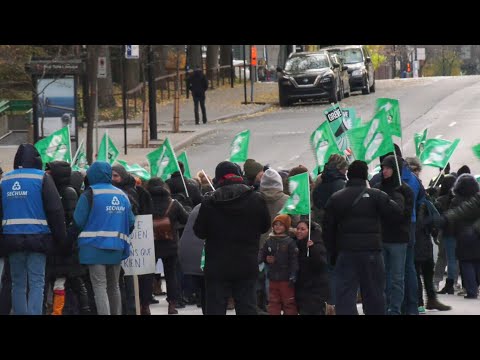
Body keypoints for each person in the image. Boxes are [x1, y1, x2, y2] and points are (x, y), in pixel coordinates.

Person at [323, 160, 403, 315]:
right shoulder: (376, 195)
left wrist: (332, 253)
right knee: (374, 294)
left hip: (346, 252)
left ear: (348, 174)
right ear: (366, 176)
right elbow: (397, 214)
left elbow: (328, 229)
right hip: (371, 251)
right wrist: (397, 193)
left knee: (345, 294)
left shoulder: (336, 198)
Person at [193, 161, 271, 315]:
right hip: (246, 262)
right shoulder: (256, 199)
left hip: (217, 265)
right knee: (247, 306)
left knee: (215, 307)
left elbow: (199, 231)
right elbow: (265, 226)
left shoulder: (210, 202)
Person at [0, 144, 67, 315]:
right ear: (36, 160)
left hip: (11, 239)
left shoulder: (5, 179)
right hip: (39, 238)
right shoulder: (42, 178)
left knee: (17, 283)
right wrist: (61, 239)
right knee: (37, 282)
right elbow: (55, 210)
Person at [73, 161, 135, 315]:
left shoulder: (89, 194)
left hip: (93, 249)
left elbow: (78, 221)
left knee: (99, 287)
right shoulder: (122, 195)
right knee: (114, 286)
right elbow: (131, 222)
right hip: (116, 247)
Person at [373, 155, 414, 315]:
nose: (385, 171)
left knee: (397, 277)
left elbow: (406, 215)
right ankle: (384, 306)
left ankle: (395, 309)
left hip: (398, 238)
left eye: (388, 168)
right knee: (382, 276)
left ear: (395, 169)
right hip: (382, 237)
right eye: (383, 168)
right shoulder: (377, 188)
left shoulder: (405, 190)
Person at [258, 214, 298, 315]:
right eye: (275, 224)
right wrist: (265, 259)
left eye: (281, 224)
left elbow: (294, 260)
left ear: (286, 227)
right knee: (273, 302)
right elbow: (262, 253)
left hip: (286, 279)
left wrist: (293, 274)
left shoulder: (290, 242)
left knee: (288, 302)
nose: (278, 226)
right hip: (272, 277)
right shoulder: (269, 240)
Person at [294, 220, 329, 315]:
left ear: (309, 231)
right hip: (302, 289)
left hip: (315, 290)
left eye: (303, 229)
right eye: (297, 229)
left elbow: (321, 264)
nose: (299, 231)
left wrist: (313, 249)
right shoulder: (297, 245)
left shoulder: (317, 244)